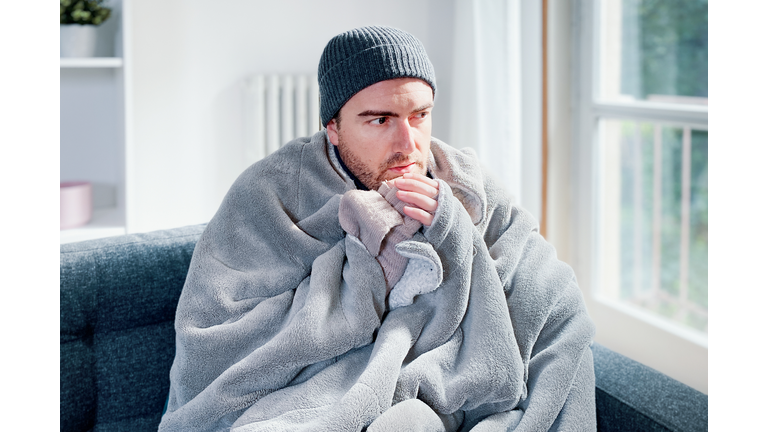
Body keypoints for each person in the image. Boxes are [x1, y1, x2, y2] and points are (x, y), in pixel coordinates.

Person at [159, 26, 596, 432]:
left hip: (431, 394)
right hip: (315, 397)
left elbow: (548, 292)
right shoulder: (268, 194)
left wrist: (455, 233)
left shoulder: (464, 183)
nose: (408, 144)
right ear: (332, 127)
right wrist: (369, 270)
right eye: (380, 120)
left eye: (419, 116)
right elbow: (214, 342)